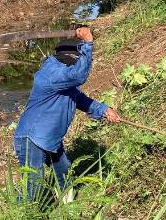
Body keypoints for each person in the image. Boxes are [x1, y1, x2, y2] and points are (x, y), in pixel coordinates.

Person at [13, 27, 120, 200]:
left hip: (50, 138)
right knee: (34, 185)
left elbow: (80, 100)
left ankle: (68, 209)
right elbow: (79, 76)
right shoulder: (52, 74)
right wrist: (87, 43)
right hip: (32, 139)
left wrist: (104, 110)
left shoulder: (63, 80)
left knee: (64, 173)